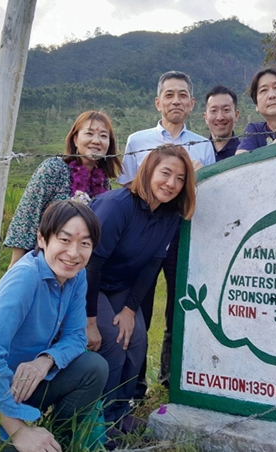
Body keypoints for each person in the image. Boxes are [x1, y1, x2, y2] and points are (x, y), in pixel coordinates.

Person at [0, 200, 109, 452]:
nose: (73, 253)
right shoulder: (25, 278)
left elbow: (76, 337)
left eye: (85, 243)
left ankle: (54, 438)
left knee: (93, 367)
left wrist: (45, 360)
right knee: (16, 446)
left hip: (18, 382)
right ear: (41, 239)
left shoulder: (76, 275)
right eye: (64, 240)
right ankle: (22, 433)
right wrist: (19, 432)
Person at [117, 71, 214, 398]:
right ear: (158, 101)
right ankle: (133, 384)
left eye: (182, 95)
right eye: (169, 95)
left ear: (191, 103)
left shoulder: (203, 144)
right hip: (143, 241)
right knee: (137, 309)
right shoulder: (137, 141)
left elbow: (207, 195)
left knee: (179, 311)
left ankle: (172, 382)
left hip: (183, 241)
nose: (176, 100)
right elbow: (126, 190)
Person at [85, 146, 196, 431]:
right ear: (148, 171)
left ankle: (120, 411)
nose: (171, 184)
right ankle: (100, 420)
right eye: (166, 173)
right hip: (88, 283)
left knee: (136, 339)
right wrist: (90, 319)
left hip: (121, 286)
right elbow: (92, 263)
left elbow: (152, 265)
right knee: (111, 340)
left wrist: (130, 308)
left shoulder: (170, 215)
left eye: (180, 179)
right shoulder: (118, 205)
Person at [5, 110, 122, 267]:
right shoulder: (53, 168)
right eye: (89, 133)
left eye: (103, 136)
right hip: (41, 261)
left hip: (75, 264)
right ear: (75, 139)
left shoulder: (104, 183)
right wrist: (16, 265)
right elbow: (27, 216)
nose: (96, 141)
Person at [204, 85, 241, 162]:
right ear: (206, 117)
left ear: (236, 115)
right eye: (214, 111)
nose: (220, 117)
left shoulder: (244, 152)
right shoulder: (198, 153)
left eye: (226, 110)